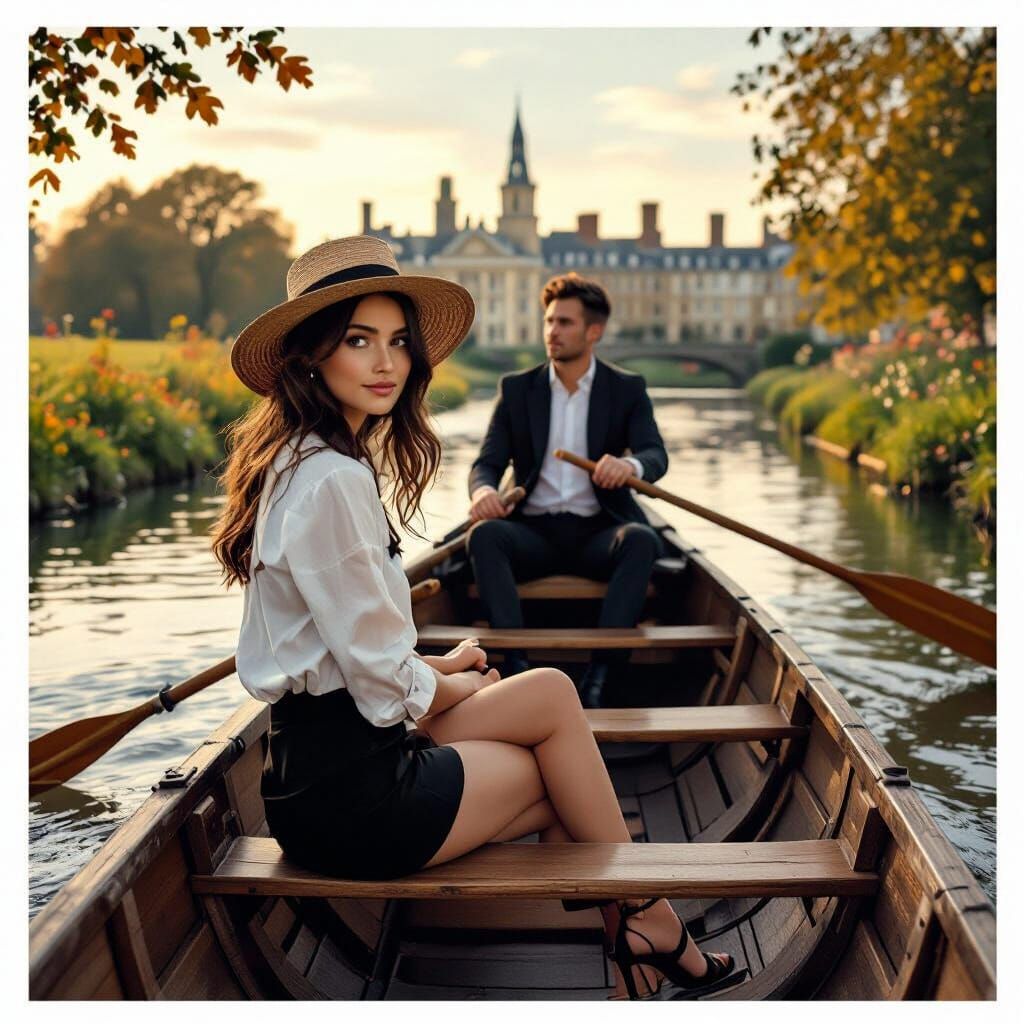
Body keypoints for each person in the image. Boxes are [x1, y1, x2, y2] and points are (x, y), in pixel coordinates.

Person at [210, 236, 735, 999]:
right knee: (557, 767)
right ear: (311, 356)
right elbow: (384, 685)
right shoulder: (334, 482)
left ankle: (639, 941)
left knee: (551, 698)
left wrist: (442, 669)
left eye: (397, 342)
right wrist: (444, 683)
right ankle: (650, 926)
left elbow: (355, 661)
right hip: (354, 799)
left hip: (314, 772)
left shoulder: (297, 460)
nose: (386, 362)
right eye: (359, 341)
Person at [466, 273, 669, 708]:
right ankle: (516, 673)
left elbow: (655, 455)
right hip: (533, 534)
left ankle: (600, 678)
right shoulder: (518, 389)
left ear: (593, 332)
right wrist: (482, 491)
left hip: (599, 531)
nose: (551, 332)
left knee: (641, 541)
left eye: (564, 323)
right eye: (549, 321)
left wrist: (628, 464)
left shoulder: (626, 389)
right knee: (484, 536)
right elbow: (487, 463)